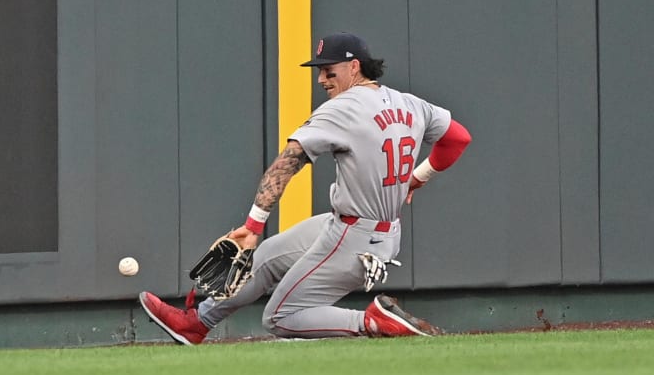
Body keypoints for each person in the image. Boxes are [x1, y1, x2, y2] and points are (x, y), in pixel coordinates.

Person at [139, 32, 472, 345]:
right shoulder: (411, 104)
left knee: (280, 316)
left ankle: (371, 322)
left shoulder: (343, 108)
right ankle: (196, 323)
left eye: (328, 71)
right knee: (267, 258)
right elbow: (457, 138)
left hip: (355, 237)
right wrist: (417, 178)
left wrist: (253, 224)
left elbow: (287, 162)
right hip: (365, 229)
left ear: (354, 66)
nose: (321, 79)